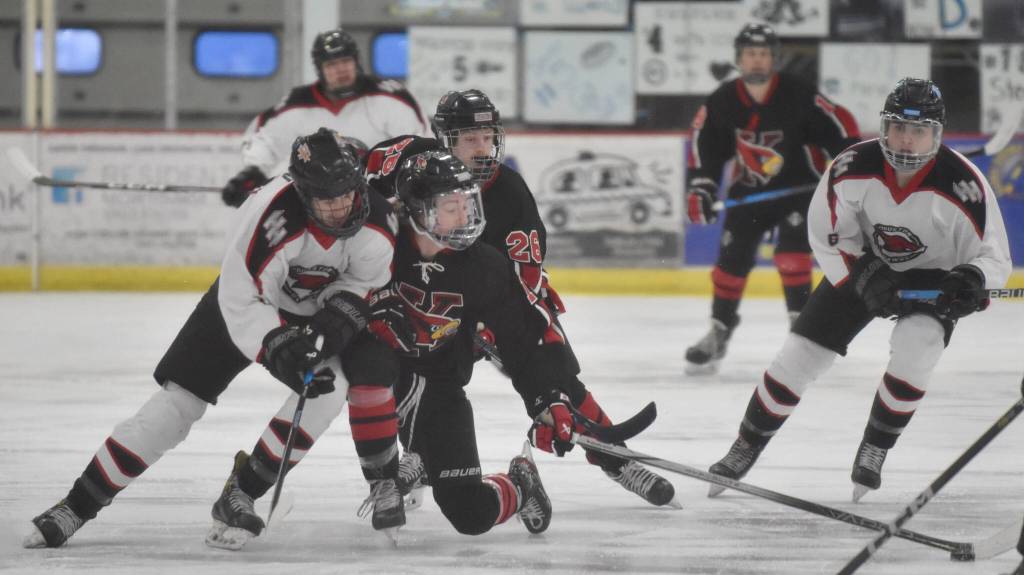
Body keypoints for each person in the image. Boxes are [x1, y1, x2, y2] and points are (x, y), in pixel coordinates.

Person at [23, 129, 399, 549]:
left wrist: (337, 319)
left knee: (329, 390)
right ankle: (76, 505)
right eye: (324, 197)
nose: (338, 207)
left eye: (346, 193)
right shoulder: (265, 217)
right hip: (242, 306)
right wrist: (277, 345)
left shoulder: (380, 222)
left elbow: (365, 282)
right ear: (300, 190)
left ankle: (242, 491)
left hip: (311, 313)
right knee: (175, 407)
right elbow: (241, 300)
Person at [364, 88, 679, 509]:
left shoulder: (509, 194)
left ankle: (616, 459)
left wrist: (540, 377)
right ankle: (422, 453)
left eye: (487, 137)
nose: (483, 148)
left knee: (550, 372)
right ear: (446, 140)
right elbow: (355, 191)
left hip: (484, 293)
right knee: (412, 363)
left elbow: (526, 291)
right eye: (470, 138)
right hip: (418, 290)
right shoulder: (407, 159)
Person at [705, 78, 1011, 502]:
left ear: (936, 134)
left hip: (932, 278)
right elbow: (827, 236)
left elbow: (995, 259)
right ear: (885, 127)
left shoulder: (966, 186)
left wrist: (971, 280)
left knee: (916, 347)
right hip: (863, 264)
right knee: (798, 357)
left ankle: (874, 449)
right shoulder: (852, 166)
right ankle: (745, 445)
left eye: (919, 130)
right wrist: (861, 274)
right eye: (899, 129)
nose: (906, 140)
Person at [684, 23, 861, 374]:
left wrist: (850, 164)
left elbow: (839, 127)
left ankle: (804, 333)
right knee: (730, 263)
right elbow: (705, 148)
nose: (757, 60)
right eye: (750, 53)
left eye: (764, 53)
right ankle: (720, 329)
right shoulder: (722, 100)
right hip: (749, 195)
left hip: (800, 191)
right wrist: (702, 187)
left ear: (774, 58)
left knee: (792, 256)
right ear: (738, 59)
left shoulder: (798, 94)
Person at [221, 27, 429, 207]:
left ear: (356, 61)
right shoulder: (298, 103)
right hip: (320, 205)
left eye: (346, 61)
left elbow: (419, 144)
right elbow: (264, 139)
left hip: (381, 202)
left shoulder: (389, 97)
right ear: (320, 69)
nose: (341, 70)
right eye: (331, 65)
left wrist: (416, 183)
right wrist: (252, 172)